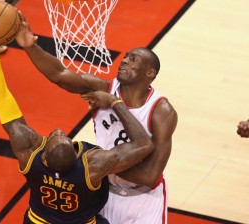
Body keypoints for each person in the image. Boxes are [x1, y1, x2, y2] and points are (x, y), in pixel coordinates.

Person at [14, 11, 178, 224]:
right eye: (126, 56)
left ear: (150, 73)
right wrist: (30, 47)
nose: (125, 61)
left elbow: (150, 175)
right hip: (103, 192)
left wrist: (93, 166)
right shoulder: (103, 87)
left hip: (142, 200)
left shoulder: (161, 111)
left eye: (133, 59)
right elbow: (59, 75)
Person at [0, 35, 154, 224]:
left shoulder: (29, 154)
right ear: (78, 156)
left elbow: (2, 100)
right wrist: (115, 102)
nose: (59, 130)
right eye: (63, 136)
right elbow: (144, 144)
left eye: (55, 135)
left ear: (43, 154)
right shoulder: (93, 166)